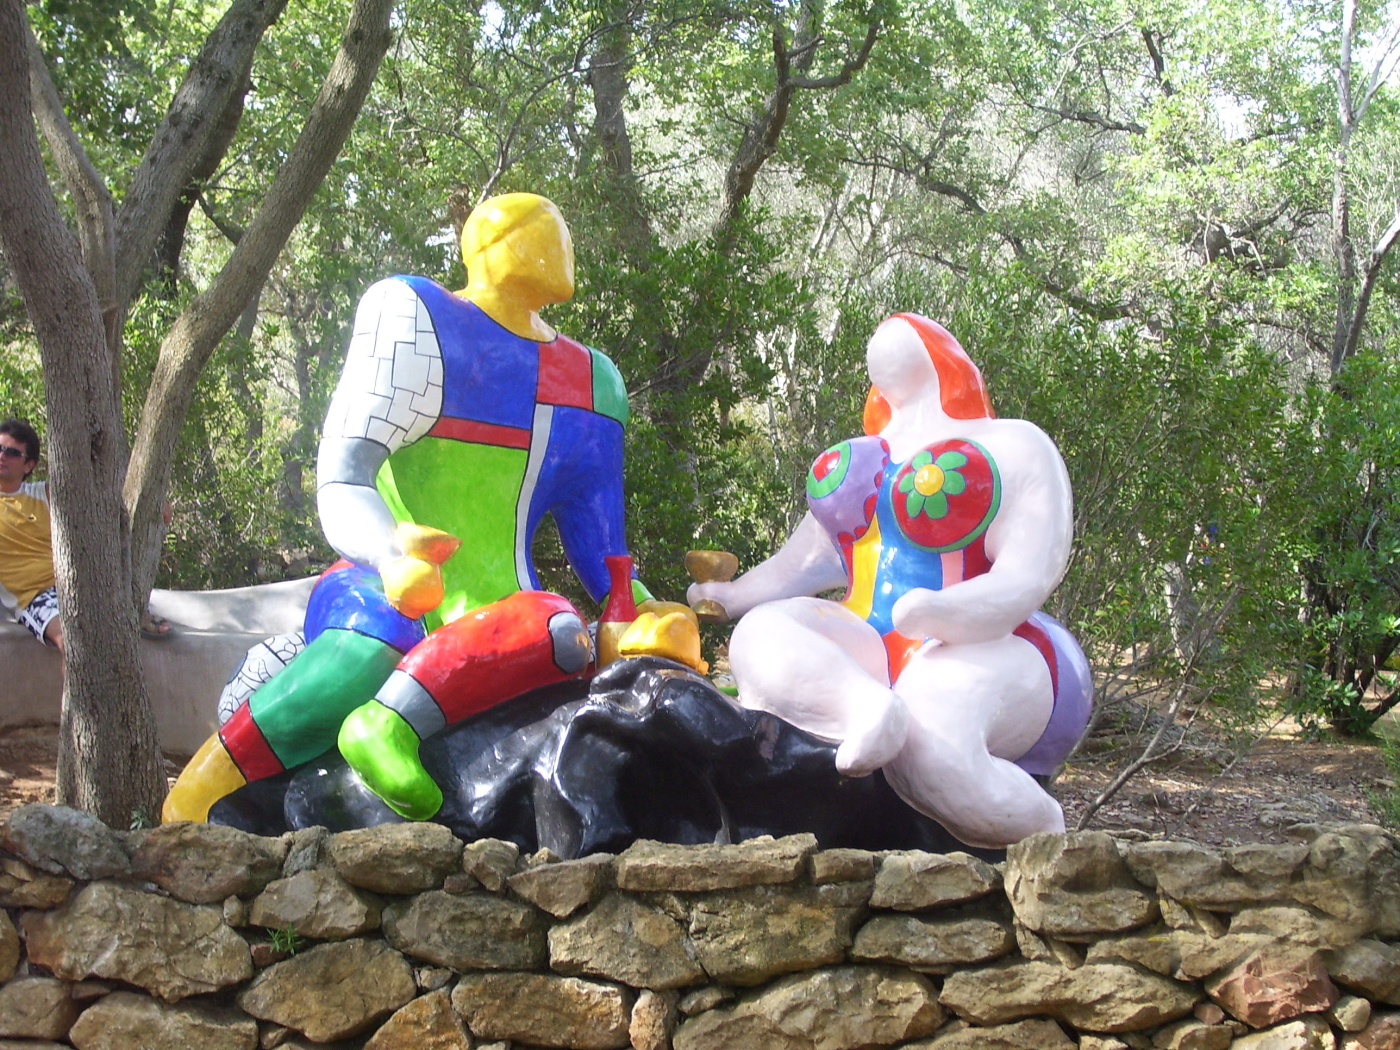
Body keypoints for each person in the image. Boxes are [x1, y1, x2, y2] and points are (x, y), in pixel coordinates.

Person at [164, 192, 691, 823]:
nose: (557, 242)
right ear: (483, 247)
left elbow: (603, 552)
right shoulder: (419, 319)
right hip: (382, 583)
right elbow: (343, 476)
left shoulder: (593, 380)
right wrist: (391, 556)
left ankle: (388, 725)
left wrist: (647, 609)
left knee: (560, 629)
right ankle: (200, 790)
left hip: (505, 617)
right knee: (367, 649)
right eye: (535, 229)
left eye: (559, 232)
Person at [687, 314, 1092, 849]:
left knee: (932, 746)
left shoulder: (1014, 445)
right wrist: (733, 596)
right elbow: (800, 563)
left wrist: (947, 613)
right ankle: (865, 710)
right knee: (761, 634)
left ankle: (1047, 834)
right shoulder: (864, 457)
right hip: (869, 641)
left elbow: (1027, 573)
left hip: (986, 647)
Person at [0, 419, 63, 655]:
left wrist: (155, 504)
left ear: (29, 465)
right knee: (74, 641)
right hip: (34, 598)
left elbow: (101, 496)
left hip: (74, 585)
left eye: (12, 453)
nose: (2, 456)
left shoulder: (43, 494)